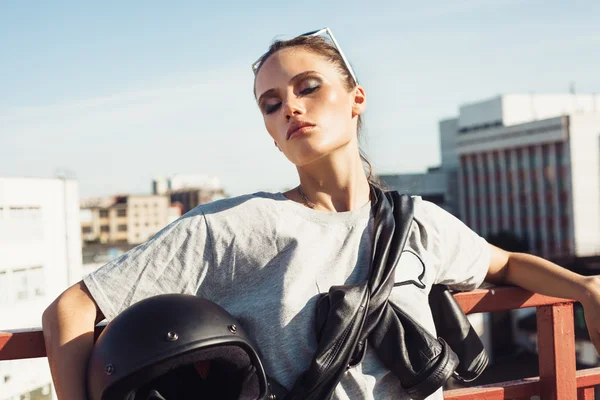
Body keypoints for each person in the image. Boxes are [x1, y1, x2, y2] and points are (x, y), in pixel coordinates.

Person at [42, 27, 600, 400]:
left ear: (356, 98)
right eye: (271, 103)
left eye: (308, 87)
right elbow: (70, 309)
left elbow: (502, 265)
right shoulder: (232, 226)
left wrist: (585, 288)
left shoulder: (417, 222)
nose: (290, 106)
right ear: (270, 132)